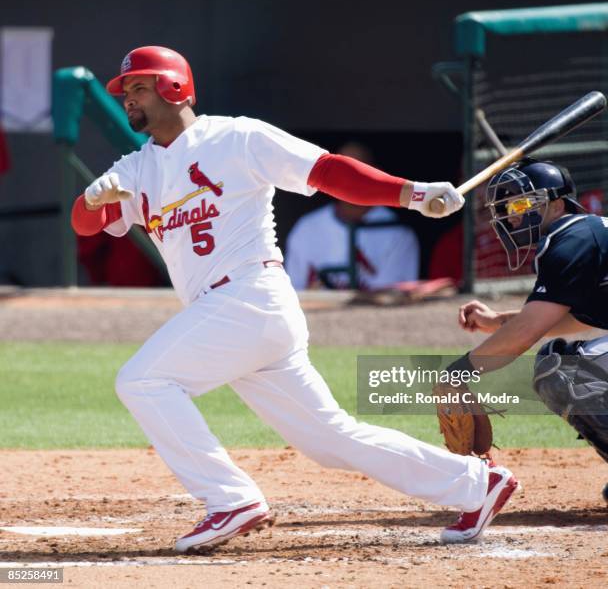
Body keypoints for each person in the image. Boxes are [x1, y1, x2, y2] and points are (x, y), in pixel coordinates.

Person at [71, 46, 517, 552]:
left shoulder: (237, 137)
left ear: (174, 88)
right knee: (330, 440)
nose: (128, 99)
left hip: (248, 295)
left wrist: (411, 193)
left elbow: (327, 171)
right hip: (228, 316)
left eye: (138, 88)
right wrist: (92, 200)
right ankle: (475, 484)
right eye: (125, 91)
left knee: (142, 380)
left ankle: (229, 499)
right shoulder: (135, 169)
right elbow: (84, 223)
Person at [450, 159, 608, 495]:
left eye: (523, 203)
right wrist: (497, 321)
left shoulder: (570, 240)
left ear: (556, 204)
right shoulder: (586, 234)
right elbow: (567, 320)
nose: (513, 213)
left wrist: (457, 373)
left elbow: (525, 335)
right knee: (565, 358)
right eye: (509, 205)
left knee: (564, 370)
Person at [286, 142, 420, 290]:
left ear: (378, 174)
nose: (350, 180)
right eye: (342, 172)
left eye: (358, 171)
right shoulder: (307, 227)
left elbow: (393, 303)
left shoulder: (398, 232)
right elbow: (293, 293)